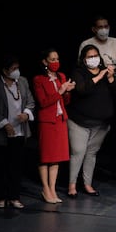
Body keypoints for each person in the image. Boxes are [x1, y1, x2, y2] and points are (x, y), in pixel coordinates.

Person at [66, 44, 116, 198]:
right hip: (79, 122)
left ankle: (87, 184)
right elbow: (82, 90)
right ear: (84, 60)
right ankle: (72, 185)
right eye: (90, 56)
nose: (93, 59)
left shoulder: (107, 73)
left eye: (95, 55)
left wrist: (111, 78)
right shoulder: (79, 72)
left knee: (91, 153)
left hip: (101, 124)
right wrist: (98, 77)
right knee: (78, 152)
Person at [0, 54, 35, 209]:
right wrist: (5, 123)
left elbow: (31, 101)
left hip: (19, 131)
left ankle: (14, 197)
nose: (16, 71)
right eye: (13, 69)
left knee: (16, 166)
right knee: (0, 166)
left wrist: (26, 113)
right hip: (2, 133)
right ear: (5, 71)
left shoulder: (23, 82)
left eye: (17, 68)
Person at [33, 48, 76, 203]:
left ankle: (52, 189)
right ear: (45, 61)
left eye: (57, 58)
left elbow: (65, 102)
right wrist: (60, 90)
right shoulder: (39, 79)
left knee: (56, 158)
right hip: (47, 122)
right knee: (46, 157)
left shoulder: (61, 76)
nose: (55, 62)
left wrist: (67, 92)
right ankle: (45, 189)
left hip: (60, 120)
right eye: (52, 59)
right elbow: (43, 102)